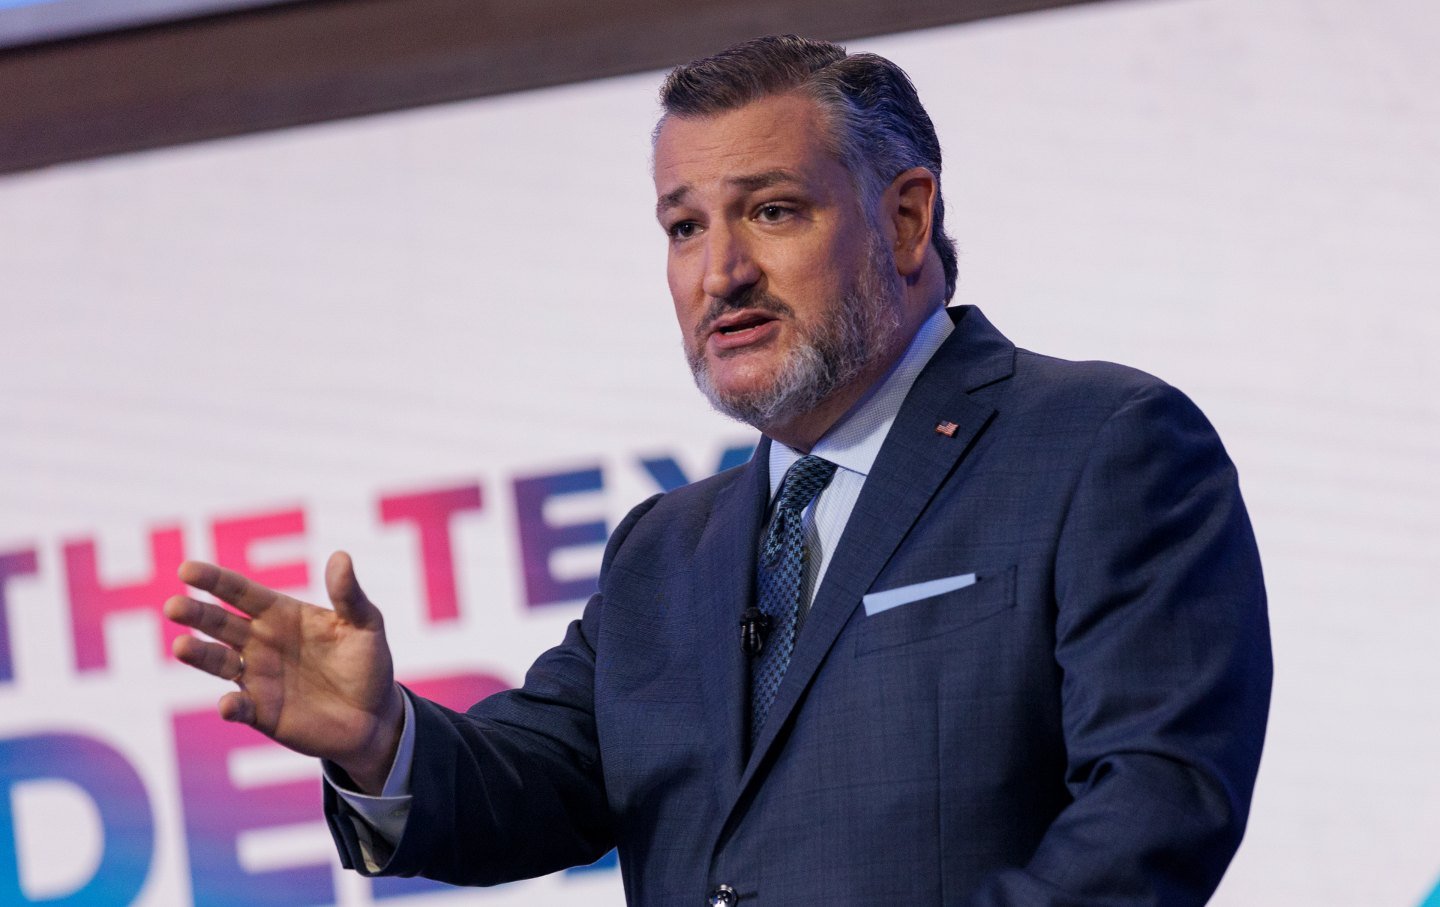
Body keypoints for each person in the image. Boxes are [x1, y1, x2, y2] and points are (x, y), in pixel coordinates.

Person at [165, 35, 1271, 906]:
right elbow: (539, 782)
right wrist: (381, 738)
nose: (720, 272)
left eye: (772, 211)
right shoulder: (667, 548)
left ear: (906, 217)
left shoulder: (1099, 443)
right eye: (683, 227)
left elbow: (1156, 804)